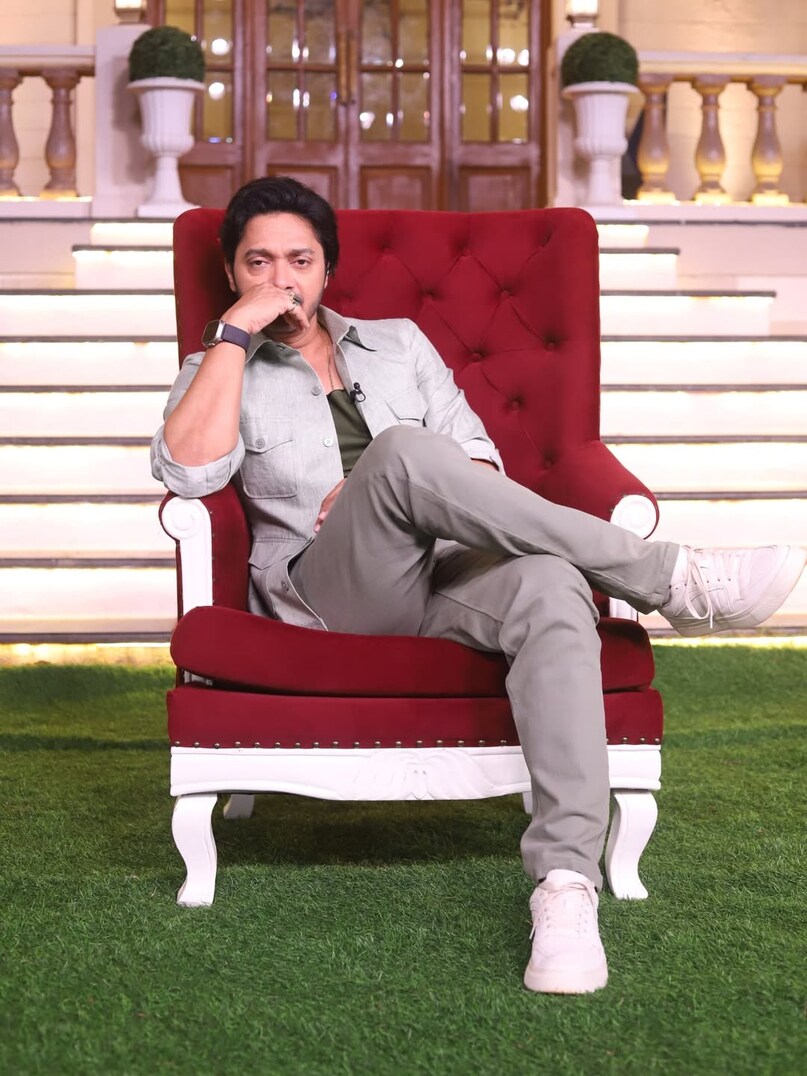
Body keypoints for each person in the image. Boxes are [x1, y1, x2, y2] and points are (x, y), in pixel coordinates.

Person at [151, 176, 805, 996]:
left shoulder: (399, 344)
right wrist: (234, 335)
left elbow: (480, 465)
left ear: (326, 270)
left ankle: (565, 885)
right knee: (399, 452)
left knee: (549, 585)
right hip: (331, 596)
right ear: (230, 271)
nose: (281, 279)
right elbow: (188, 471)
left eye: (299, 260)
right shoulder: (214, 366)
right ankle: (669, 577)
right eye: (258, 263)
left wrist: (389, 485)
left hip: (444, 570)